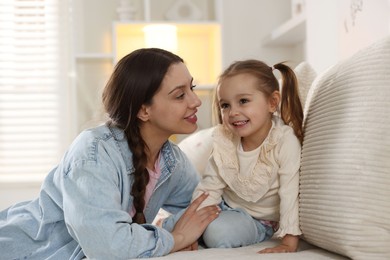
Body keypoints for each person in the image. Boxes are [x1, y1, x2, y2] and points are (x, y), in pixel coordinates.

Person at [0, 48, 220, 259]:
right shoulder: (93, 152)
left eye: (192, 88)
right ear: (144, 110)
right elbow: (109, 246)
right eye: (180, 95)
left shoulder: (172, 161)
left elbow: (207, 208)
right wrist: (176, 238)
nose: (196, 101)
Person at [192, 59, 303, 253]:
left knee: (219, 233)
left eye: (243, 101)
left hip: (258, 220)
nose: (233, 112)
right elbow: (209, 188)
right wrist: (190, 231)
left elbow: (290, 194)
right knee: (178, 220)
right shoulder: (225, 141)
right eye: (225, 105)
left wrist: (289, 242)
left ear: (272, 102)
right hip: (222, 205)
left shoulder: (284, 141)